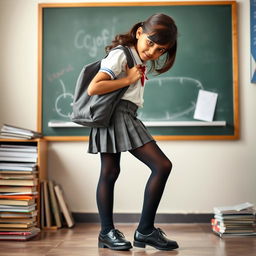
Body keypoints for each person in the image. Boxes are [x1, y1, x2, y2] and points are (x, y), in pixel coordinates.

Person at [87, 13, 179, 251]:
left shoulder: (137, 58)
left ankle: (118, 233)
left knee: (110, 171)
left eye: (160, 50)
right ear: (139, 32)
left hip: (125, 115)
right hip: (115, 115)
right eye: (150, 43)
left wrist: (130, 79)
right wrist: (127, 79)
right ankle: (138, 230)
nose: (152, 52)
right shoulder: (121, 54)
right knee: (160, 166)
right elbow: (94, 87)